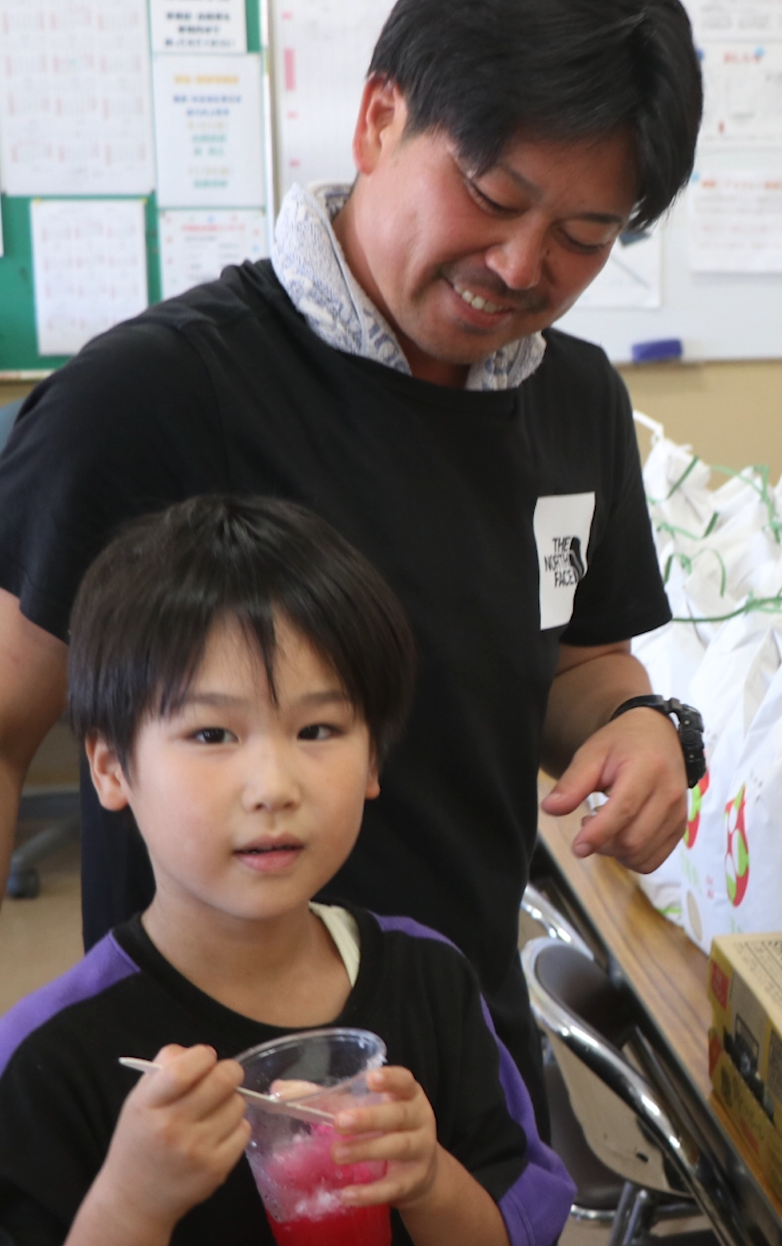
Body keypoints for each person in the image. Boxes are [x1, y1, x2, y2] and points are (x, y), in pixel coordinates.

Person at [0, 0, 703, 1129]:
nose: (520, 264)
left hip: (457, 1053)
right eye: (492, 196)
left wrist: (640, 723)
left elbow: (579, 660)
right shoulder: (146, 400)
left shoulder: (576, 405)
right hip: (202, 1097)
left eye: (583, 235)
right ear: (379, 119)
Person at [0, 495, 574, 1246]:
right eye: (212, 733)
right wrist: (130, 1203)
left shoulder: (432, 981)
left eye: (318, 729)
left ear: (373, 759)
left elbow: (513, 1227)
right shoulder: (47, 1058)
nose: (274, 787)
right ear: (111, 767)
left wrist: (430, 1179)